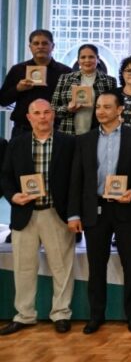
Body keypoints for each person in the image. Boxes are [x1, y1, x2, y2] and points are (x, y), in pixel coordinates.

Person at [68, 91, 131, 334]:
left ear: (120, 110)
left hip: (127, 208)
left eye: (107, 107)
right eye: (98, 107)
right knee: (96, 267)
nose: (101, 111)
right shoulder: (84, 140)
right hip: (95, 210)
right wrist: (74, 214)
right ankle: (96, 316)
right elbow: (77, 179)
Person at [0, 99, 76, 335]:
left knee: (62, 267)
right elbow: (5, 176)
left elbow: (76, 180)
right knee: (23, 267)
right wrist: (14, 196)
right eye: (37, 113)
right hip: (25, 214)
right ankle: (24, 315)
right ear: (29, 117)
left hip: (56, 213)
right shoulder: (16, 143)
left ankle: (61, 313)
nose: (42, 117)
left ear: (53, 115)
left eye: (46, 112)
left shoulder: (68, 143)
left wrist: (74, 214)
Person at [0, 29, 72, 137]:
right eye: (36, 43)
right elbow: (3, 100)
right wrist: (18, 89)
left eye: (45, 43)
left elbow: (71, 102)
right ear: (30, 47)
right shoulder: (18, 70)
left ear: (52, 46)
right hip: (23, 129)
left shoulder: (66, 72)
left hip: (55, 129)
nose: (40, 46)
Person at [51, 43, 119, 135]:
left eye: (91, 57)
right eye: (83, 57)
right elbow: (52, 109)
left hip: (98, 133)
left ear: (98, 59)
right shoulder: (65, 79)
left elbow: (114, 110)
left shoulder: (109, 81)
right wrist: (67, 109)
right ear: (78, 60)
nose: (87, 60)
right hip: (68, 132)